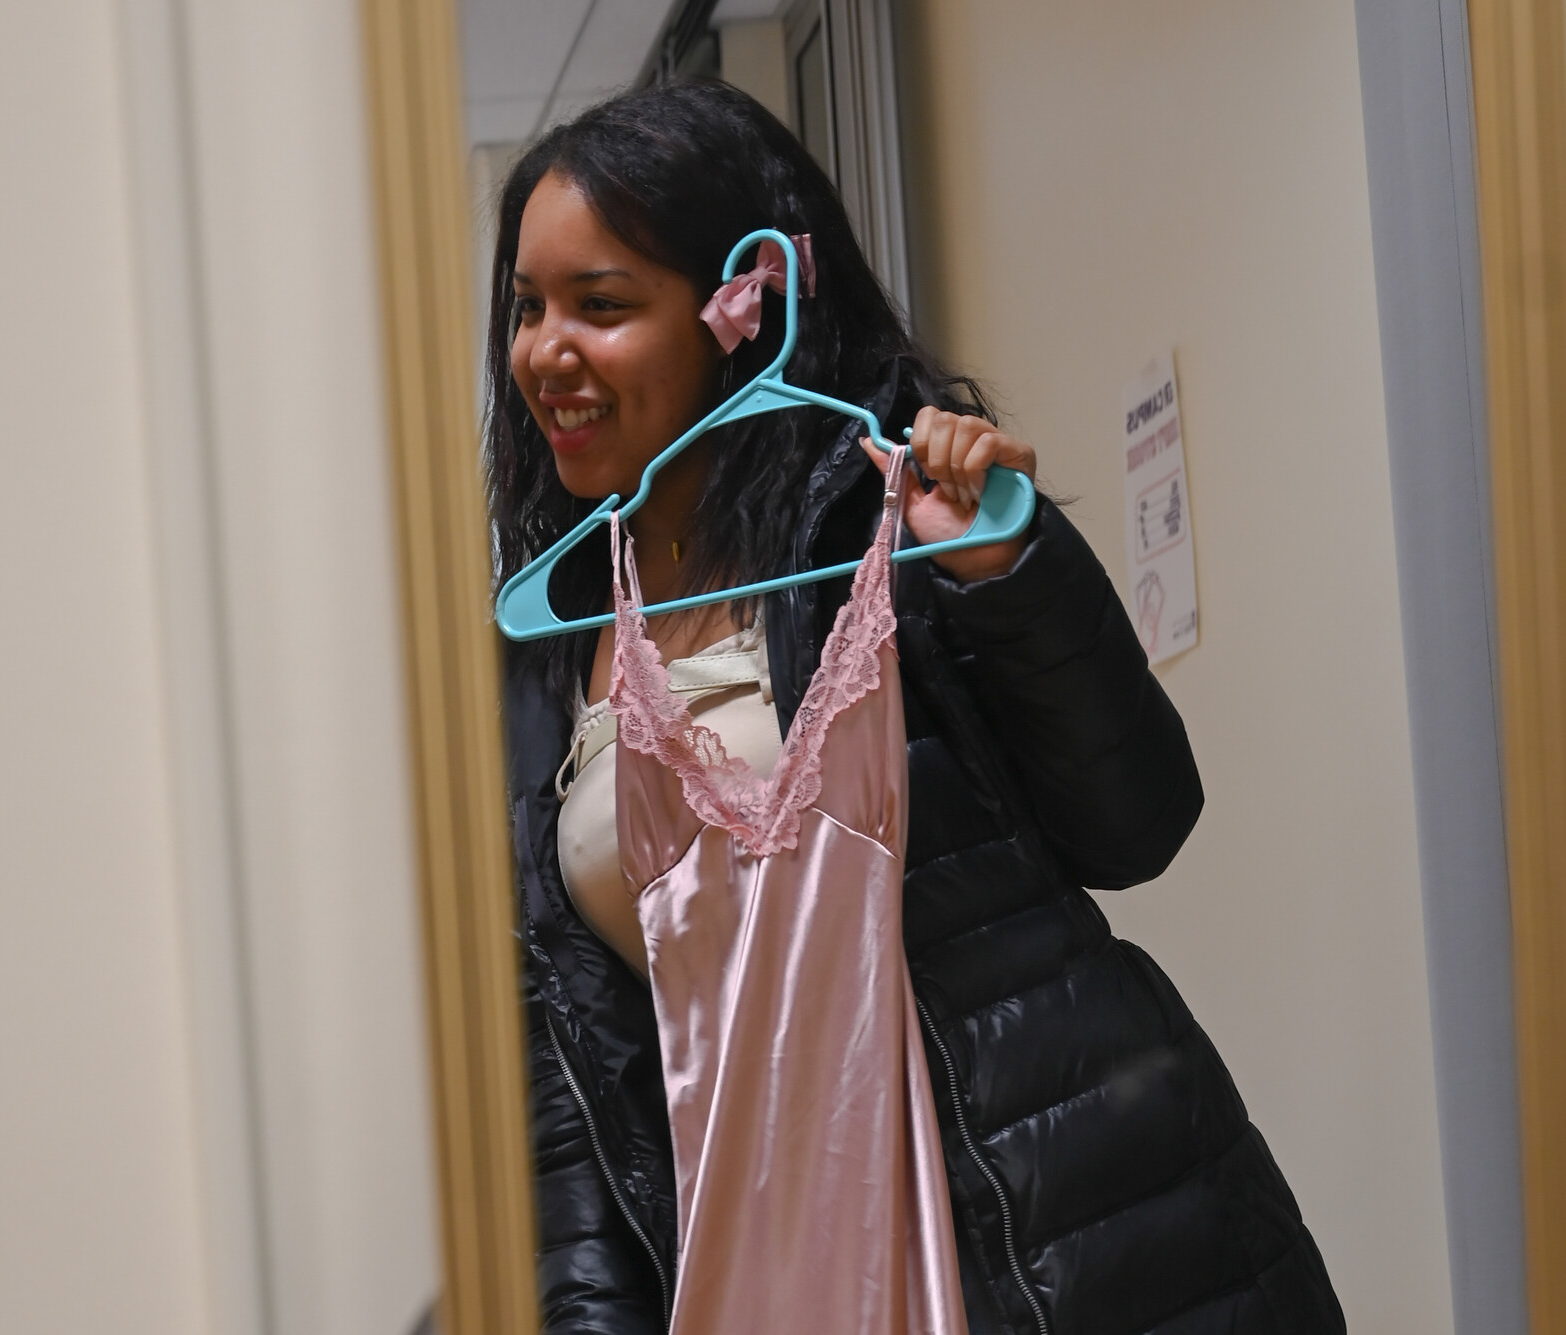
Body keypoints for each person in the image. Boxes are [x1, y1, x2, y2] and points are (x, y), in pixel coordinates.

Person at [489, 80, 1344, 1335]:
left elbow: (1136, 823)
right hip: (770, 1283)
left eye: (599, 305)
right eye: (526, 307)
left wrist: (1009, 572)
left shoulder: (887, 520)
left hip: (1068, 1242)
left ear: (740, 308)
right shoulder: (542, 651)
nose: (543, 351)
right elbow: (571, 1104)